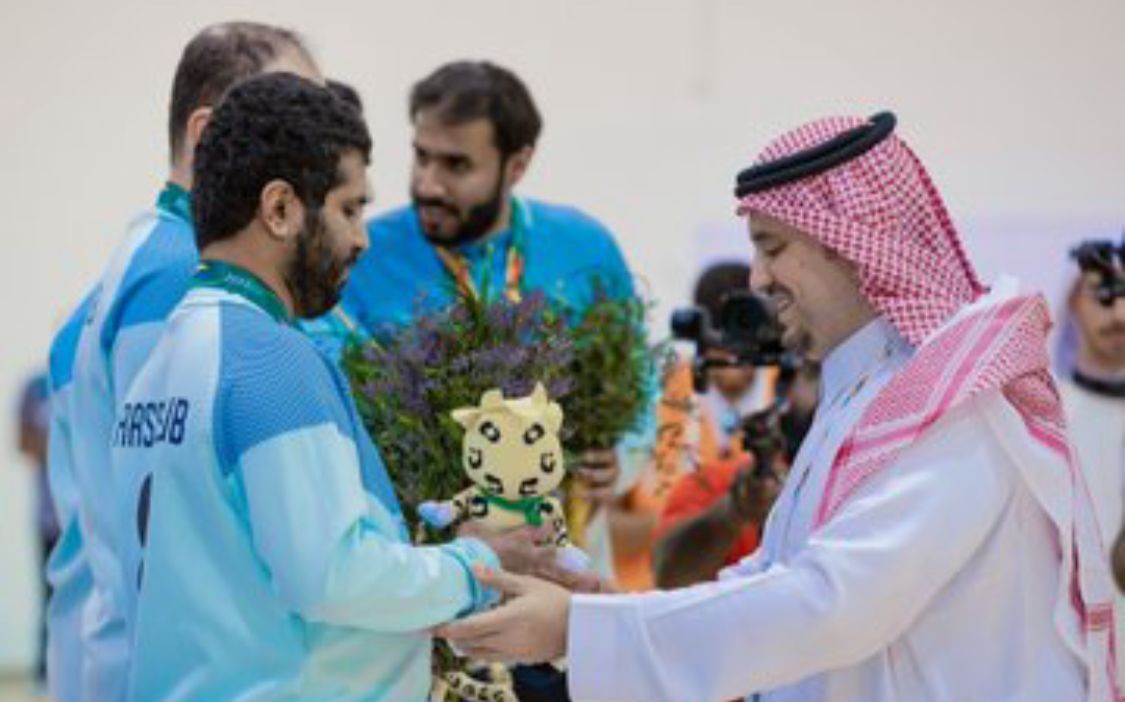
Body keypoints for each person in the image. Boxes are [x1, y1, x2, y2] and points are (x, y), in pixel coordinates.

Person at [438, 112, 1117, 701]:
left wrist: (580, 630)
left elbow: (830, 605)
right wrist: (609, 611)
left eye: (772, 247)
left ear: (850, 246)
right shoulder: (865, 391)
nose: (758, 279)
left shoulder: (956, 405)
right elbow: (775, 576)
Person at [112, 72, 552, 701]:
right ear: (280, 209)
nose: (362, 239)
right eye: (349, 208)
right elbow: (332, 576)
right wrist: (475, 564)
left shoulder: (161, 364)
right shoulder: (267, 358)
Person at [45, 23, 321, 701]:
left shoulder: (139, 262)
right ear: (206, 133)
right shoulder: (180, 276)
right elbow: (174, 534)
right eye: (291, 120)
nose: (317, 149)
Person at [315, 60, 638, 576]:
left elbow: (641, 386)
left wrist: (621, 460)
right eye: (422, 156)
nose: (428, 184)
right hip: (432, 565)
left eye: (457, 165)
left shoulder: (585, 248)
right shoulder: (362, 256)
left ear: (518, 164)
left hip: (566, 554)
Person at [610, 261, 775, 591]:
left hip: (763, 601)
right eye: (719, 336)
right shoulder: (650, 397)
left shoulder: (794, 394)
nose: (732, 352)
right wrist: (691, 519)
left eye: (743, 331)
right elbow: (607, 528)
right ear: (699, 332)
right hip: (657, 600)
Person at [652, 363, 818, 589]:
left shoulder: (860, 482)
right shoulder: (716, 481)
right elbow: (669, 577)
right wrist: (735, 510)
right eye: (813, 372)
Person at [1057, 238, 1125, 680]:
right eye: (1103, 294)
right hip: (1074, 664)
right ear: (1072, 303)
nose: (1119, 313)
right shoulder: (1047, 417)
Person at [16, 373, 54, 686]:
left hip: (88, 520)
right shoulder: (35, 388)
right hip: (49, 519)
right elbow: (24, 443)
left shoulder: (93, 374)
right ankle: (45, 672)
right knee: (49, 595)